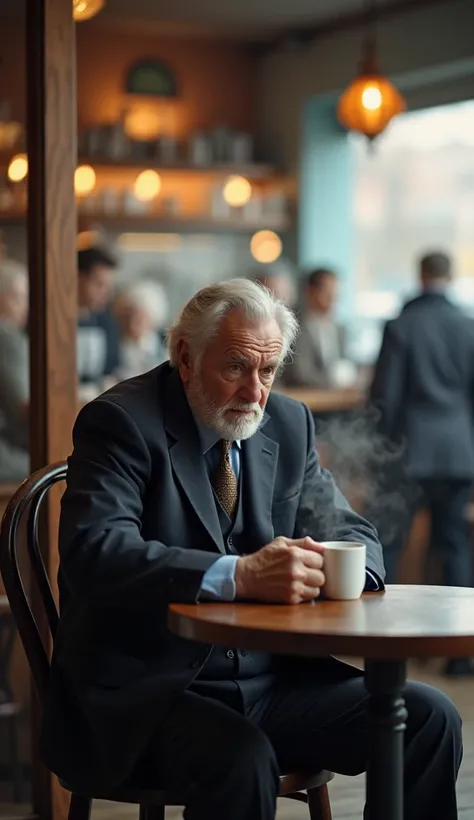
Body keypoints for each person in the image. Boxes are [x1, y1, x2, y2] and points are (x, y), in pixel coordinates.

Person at [41, 279, 461, 820]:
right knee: (242, 758)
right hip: (148, 691)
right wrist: (237, 575)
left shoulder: (288, 422)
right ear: (186, 358)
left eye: (267, 371)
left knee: (429, 717)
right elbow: (94, 552)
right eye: (236, 367)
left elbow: (353, 532)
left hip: (271, 681)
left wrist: (336, 570)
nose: (255, 392)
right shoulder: (121, 422)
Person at [369, 251, 474, 676]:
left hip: (409, 452)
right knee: (454, 547)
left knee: (389, 543)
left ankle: (384, 644)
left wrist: (381, 451)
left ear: (421, 275)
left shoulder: (401, 325)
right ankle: (462, 653)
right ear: (450, 277)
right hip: (459, 453)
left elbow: (385, 398)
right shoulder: (469, 326)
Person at [284, 268, 353, 388]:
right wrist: (332, 384)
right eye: (327, 291)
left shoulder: (341, 328)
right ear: (310, 291)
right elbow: (300, 372)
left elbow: (347, 365)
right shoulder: (293, 325)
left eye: (335, 291)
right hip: (306, 396)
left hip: (341, 399)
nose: (333, 297)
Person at [0, 258, 29, 481]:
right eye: (18, 298)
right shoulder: (6, 337)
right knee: (59, 465)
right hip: (6, 453)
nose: (25, 307)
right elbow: (24, 406)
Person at [77, 246, 120, 390]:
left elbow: (112, 371)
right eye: (99, 285)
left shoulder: (107, 325)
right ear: (77, 278)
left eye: (109, 287)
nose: (106, 294)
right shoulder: (54, 324)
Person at [113, 279, 169, 379]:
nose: (132, 324)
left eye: (139, 319)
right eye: (127, 317)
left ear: (152, 320)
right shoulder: (115, 344)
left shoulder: (163, 345)